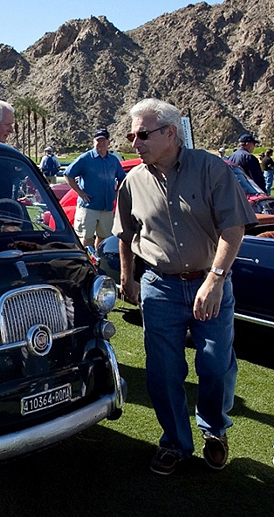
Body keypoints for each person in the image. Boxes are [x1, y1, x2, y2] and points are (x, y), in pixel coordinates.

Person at [114, 98, 257, 476]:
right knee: (162, 372)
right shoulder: (132, 181)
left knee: (215, 367)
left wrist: (215, 279)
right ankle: (175, 443)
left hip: (210, 283)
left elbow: (234, 227)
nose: (134, 142)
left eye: (142, 134)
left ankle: (215, 430)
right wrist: (127, 278)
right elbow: (125, 235)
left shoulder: (211, 168)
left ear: (170, 134)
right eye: (132, 134)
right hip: (159, 287)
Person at [63, 129, 125, 248]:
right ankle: (87, 262)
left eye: (103, 140)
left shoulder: (113, 160)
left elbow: (122, 178)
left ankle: (99, 262)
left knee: (104, 237)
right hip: (89, 206)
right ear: (93, 142)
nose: (100, 143)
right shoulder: (85, 158)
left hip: (106, 207)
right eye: (98, 140)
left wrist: (117, 193)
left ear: (108, 142)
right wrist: (80, 193)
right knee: (86, 238)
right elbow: (68, 174)